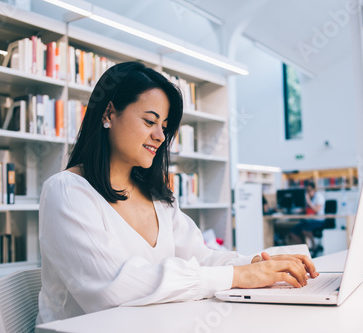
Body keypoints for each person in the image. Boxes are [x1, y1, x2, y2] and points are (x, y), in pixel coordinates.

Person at [36, 62, 318, 324]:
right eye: (149, 121)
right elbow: (116, 289)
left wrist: (257, 263)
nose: (160, 136)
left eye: (165, 127)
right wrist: (238, 275)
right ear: (109, 113)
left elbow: (202, 257)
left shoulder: (157, 197)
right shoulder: (67, 192)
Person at [286, 181, 326, 254]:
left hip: (318, 220)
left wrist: (308, 201)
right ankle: (303, 249)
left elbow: (316, 210)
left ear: (314, 189)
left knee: (305, 229)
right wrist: (295, 211)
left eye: (309, 190)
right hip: (308, 220)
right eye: (307, 190)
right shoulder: (308, 197)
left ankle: (314, 246)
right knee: (293, 231)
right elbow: (305, 209)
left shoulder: (319, 197)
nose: (308, 192)